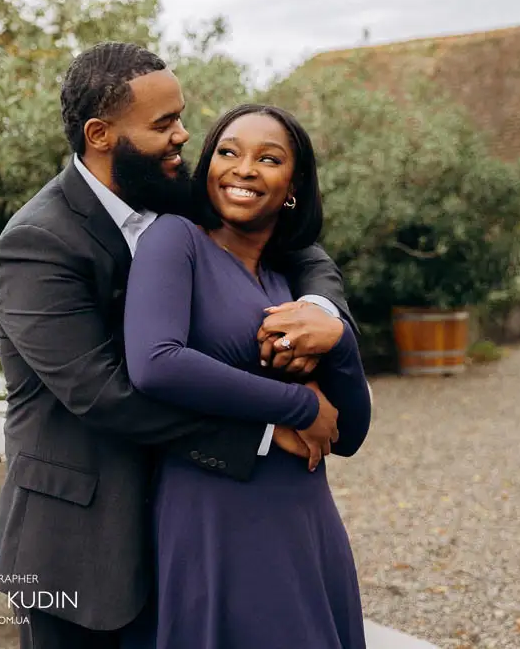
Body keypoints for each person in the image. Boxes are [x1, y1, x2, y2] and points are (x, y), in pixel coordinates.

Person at [0, 42, 353, 648]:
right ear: (101, 135)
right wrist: (269, 427)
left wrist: (322, 311)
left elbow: (297, 241)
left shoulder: (174, 196)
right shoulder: (38, 243)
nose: (184, 136)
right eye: (163, 124)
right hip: (78, 546)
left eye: (180, 117)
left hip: (184, 528)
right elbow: (101, 393)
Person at [123, 103, 373, 648]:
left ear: (293, 186)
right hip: (215, 512)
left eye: (269, 159)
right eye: (228, 152)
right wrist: (297, 406)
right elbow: (155, 362)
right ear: (208, 165)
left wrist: (339, 339)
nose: (244, 169)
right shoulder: (175, 239)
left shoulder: (291, 274)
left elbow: (349, 433)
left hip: (306, 517)